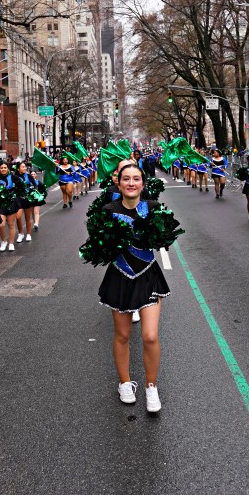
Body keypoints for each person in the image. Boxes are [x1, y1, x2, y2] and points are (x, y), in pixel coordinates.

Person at [94, 160, 170, 414]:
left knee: (149, 335)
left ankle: (151, 385)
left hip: (148, 275)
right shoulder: (107, 209)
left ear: (142, 183)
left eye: (136, 179)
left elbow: (164, 239)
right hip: (119, 276)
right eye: (126, 179)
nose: (131, 183)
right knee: (123, 335)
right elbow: (98, 246)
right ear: (118, 182)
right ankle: (125, 383)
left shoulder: (153, 208)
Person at [0, 161, 21, 252]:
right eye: (1, 168)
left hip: (11, 203)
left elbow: (21, 185)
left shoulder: (13, 177)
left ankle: (11, 243)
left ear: (8, 169)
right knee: (1, 224)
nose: (3, 169)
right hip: (0, 204)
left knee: (11, 224)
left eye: (5, 167)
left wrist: (16, 194)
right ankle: (4, 241)